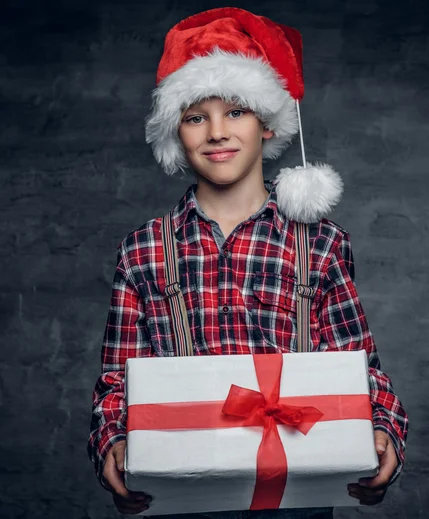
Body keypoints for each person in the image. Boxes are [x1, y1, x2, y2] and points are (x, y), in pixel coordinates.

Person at [87, 7, 408, 519]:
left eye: (235, 111)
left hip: (297, 489)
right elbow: (117, 378)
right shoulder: (143, 250)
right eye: (196, 117)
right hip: (183, 488)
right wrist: (112, 438)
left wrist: (383, 426)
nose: (216, 132)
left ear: (266, 124)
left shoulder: (319, 244)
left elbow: (357, 362)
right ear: (177, 133)